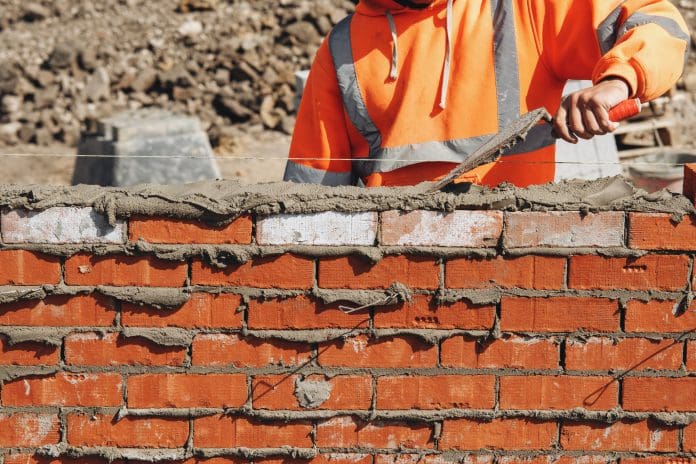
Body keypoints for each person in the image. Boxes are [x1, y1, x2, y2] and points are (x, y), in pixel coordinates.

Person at [284, 0, 690, 187]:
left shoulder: (520, 9)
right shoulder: (341, 49)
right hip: (397, 280)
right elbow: (310, 193)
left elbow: (655, 21)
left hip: (512, 264)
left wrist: (618, 82)